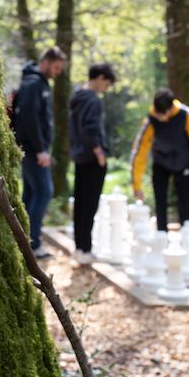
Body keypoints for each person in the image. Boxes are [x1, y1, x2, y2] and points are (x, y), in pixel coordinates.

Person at [12, 47, 66, 259]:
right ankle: (33, 244)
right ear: (45, 62)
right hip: (33, 150)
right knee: (44, 192)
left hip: (32, 149)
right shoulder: (34, 84)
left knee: (31, 194)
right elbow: (30, 120)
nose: (58, 72)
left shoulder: (37, 83)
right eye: (56, 67)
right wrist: (41, 150)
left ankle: (24, 240)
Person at [130, 89, 189, 231]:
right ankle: (161, 235)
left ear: (169, 110)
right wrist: (136, 185)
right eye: (156, 114)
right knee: (160, 202)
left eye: (161, 115)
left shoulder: (186, 115)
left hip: (183, 162)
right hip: (160, 163)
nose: (158, 117)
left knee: (184, 202)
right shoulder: (150, 120)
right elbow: (139, 152)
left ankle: (186, 234)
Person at [68, 63, 116, 265]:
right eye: (107, 84)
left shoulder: (77, 97)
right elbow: (91, 129)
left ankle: (80, 248)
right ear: (101, 77)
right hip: (92, 159)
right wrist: (99, 153)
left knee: (80, 205)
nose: (105, 89)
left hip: (79, 157)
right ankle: (85, 249)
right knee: (89, 205)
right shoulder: (93, 101)